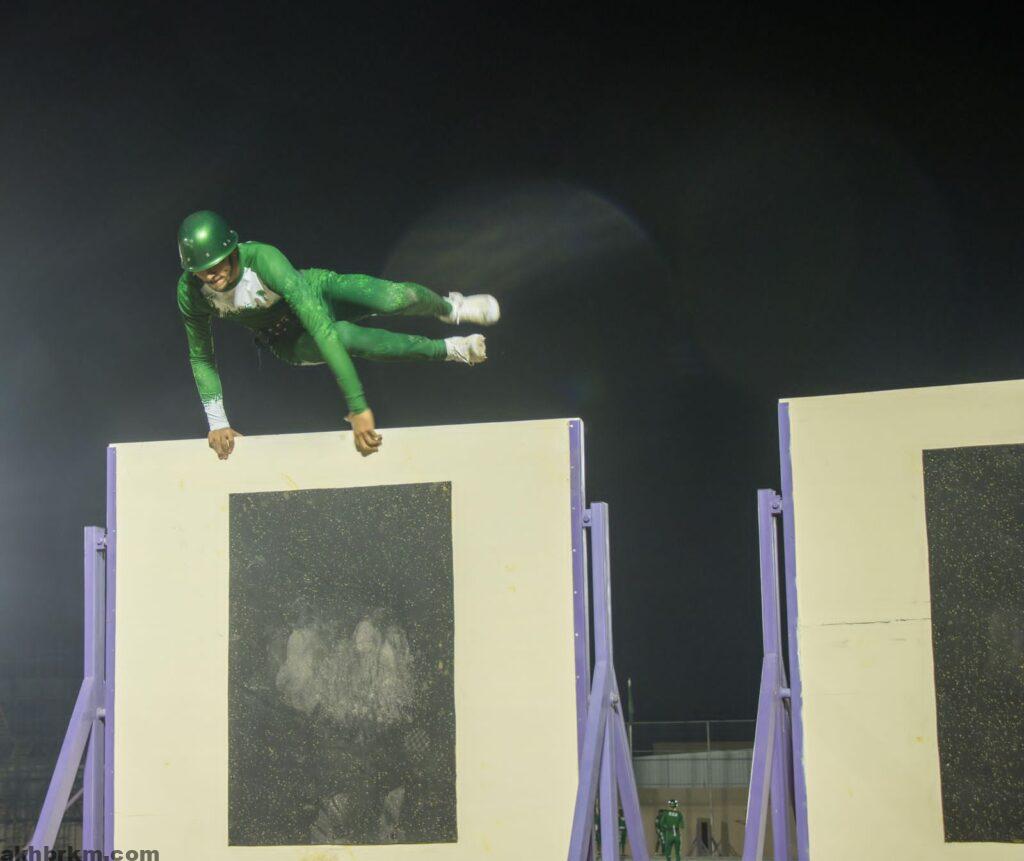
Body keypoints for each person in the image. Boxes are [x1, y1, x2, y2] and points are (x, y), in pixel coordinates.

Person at [176, 211, 500, 460]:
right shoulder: (191, 293)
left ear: (232, 249)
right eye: (201, 270)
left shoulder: (263, 260)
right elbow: (201, 357)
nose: (211, 275)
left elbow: (321, 327)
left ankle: (450, 308)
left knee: (395, 298)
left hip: (317, 294)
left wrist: (357, 406)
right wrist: (217, 422)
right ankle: (451, 349)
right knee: (352, 338)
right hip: (287, 338)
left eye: (217, 263)